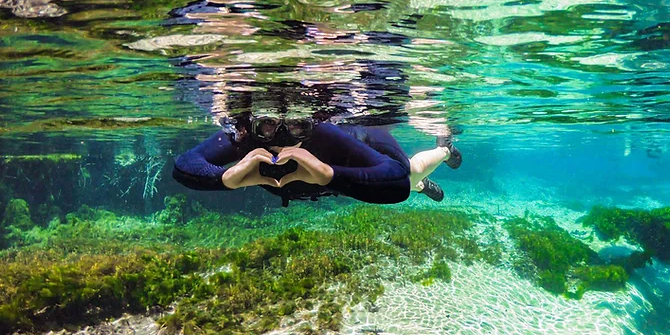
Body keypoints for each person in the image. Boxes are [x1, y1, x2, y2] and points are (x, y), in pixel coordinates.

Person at [172, 111, 462, 206]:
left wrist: (329, 174)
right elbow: (184, 165)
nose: (282, 136)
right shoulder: (244, 136)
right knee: (409, 182)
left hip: (361, 158)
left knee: (409, 175)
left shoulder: (329, 136)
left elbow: (394, 180)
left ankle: (444, 150)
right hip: (344, 181)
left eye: (297, 125)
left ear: (312, 124)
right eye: (267, 125)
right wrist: (223, 178)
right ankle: (421, 186)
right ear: (252, 126)